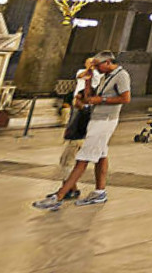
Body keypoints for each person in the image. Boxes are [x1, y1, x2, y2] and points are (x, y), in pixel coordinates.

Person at [33, 51, 131, 210]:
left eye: (97, 65)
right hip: (96, 118)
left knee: (83, 158)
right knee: (101, 156)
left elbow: (126, 98)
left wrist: (102, 99)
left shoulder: (121, 75)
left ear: (107, 62)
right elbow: (88, 98)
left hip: (105, 120)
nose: (96, 68)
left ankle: (59, 196)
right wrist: (88, 80)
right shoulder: (105, 76)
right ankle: (100, 192)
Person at [54, 56, 98, 199]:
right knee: (67, 161)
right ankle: (69, 188)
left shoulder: (86, 110)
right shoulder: (81, 72)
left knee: (68, 161)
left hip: (78, 137)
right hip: (76, 135)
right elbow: (81, 75)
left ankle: (69, 190)